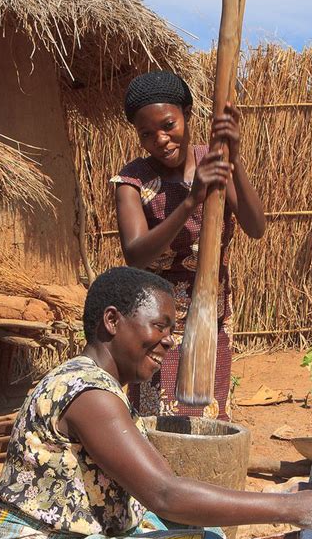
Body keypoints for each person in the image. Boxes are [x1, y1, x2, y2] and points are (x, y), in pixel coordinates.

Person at [0, 267, 312, 539]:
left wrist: (276, 495)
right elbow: (165, 493)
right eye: (160, 326)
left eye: (173, 331)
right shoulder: (88, 393)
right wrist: (291, 509)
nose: (169, 341)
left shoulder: (98, 387)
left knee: (179, 526)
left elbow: (165, 489)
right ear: (112, 321)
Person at [112, 70, 266, 420]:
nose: (161, 140)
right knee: (158, 420)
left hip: (211, 311)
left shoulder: (214, 161)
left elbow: (255, 227)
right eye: (147, 134)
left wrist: (234, 159)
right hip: (153, 319)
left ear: (187, 114)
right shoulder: (133, 180)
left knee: (207, 413)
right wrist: (190, 200)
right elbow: (135, 254)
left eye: (168, 125)